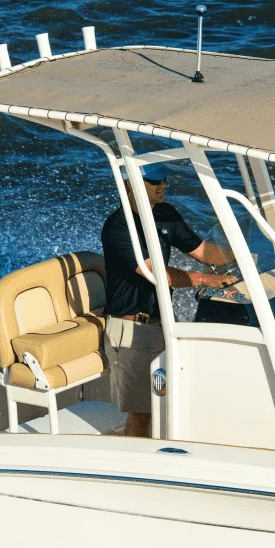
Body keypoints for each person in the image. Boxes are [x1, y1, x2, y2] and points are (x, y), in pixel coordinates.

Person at [101, 163, 237, 437]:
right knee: (142, 413)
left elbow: (204, 252)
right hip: (132, 330)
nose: (162, 185)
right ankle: (134, 460)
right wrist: (207, 280)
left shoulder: (166, 214)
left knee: (176, 401)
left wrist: (245, 254)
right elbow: (156, 273)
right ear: (129, 185)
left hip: (164, 324)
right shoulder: (118, 227)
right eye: (154, 181)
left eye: (163, 179)